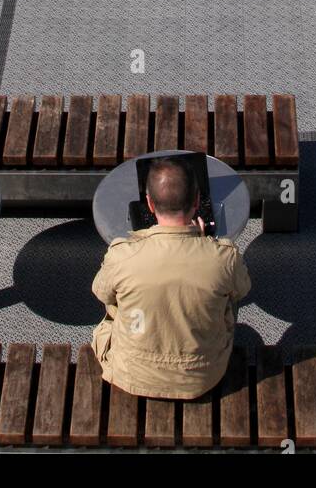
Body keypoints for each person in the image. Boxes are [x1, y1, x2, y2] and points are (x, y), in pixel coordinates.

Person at [91, 156, 251, 400]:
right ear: (197, 201)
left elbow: (101, 292)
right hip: (203, 377)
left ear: (150, 204)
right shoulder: (223, 257)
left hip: (131, 373)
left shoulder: (122, 255)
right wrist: (202, 242)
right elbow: (242, 289)